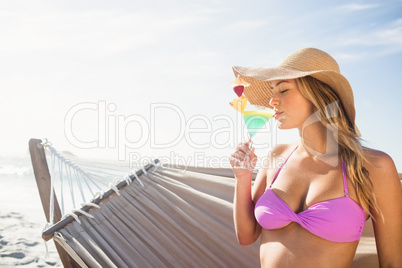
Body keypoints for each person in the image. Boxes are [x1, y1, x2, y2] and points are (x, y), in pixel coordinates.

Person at [229, 47, 402, 267]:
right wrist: (242, 177)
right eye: (272, 90)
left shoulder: (374, 167)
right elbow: (247, 236)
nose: (272, 101)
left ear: (316, 94)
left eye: (283, 90)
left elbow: (392, 263)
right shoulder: (276, 157)